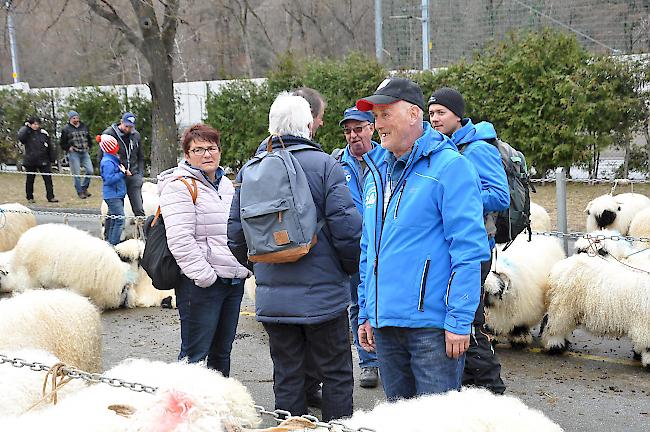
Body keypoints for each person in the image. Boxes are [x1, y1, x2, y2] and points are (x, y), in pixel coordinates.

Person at [228, 93, 361, 421]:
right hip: (324, 295)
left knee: (287, 375)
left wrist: (265, 266)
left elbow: (234, 236)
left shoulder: (250, 170)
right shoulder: (325, 165)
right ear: (307, 126)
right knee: (336, 374)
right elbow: (348, 231)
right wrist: (345, 271)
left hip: (274, 301)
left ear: (271, 126)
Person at [355, 77, 490, 400]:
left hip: (432, 328)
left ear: (414, 114)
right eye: (376, 116)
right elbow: (368, 249)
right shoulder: (375, 172)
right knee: (400, 421)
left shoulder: (451, 168)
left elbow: (469, 251)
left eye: (386, 114)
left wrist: (459, 320)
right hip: (385, 324)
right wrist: (366, 312)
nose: (378, 124)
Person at [428, 87, 509, 394]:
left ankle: (491, 389)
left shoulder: (478, 149)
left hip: (477, 247)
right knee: (461, 316)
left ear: (457, 115)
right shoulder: (446, 148)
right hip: (454, 244)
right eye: (431, 113)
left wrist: (460, 195)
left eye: (441, 113)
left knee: (469, 321)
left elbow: (500, 195)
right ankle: (470, 385)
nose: (435, 118)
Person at [158, 123, 250, 376]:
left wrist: (241, 268)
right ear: (186, 155)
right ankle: (185, 412)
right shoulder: (180, 186)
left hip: (232, 279)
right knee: (195, 355)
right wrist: (205, 277)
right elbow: (180, 239)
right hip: (202, 285)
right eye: (198, 150)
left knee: (222, 352)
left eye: (211, 148)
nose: (207, 154)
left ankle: (218, 407)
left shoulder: (226, 185)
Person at [336, 106, 385, 388]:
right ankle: (368, 362)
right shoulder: (336, 163)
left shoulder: (387, 159)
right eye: (348, 131)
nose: (353, 136)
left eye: (358, 129)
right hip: (354, 249)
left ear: (371, 128)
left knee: (385, 300)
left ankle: (389, 357)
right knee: (358, 304)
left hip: (385, 246)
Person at [102, 112, 145, 217]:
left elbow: (140, 156)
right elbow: (103, 157)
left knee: (139, 208)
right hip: (118, 176)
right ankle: (109, 232)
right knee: (115, 211)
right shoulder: (109, 134)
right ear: (121, 122)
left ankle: (142, 232)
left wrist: (140, 174)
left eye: (131, 127)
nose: (128, 129)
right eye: (126, 126)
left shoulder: (136, 135)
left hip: (133, 175)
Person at [18, 117, 58, 203]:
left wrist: (52, 158)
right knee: (30, 180)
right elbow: (21, 137)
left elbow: (50, 146)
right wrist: (26, 127)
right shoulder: (26, 133)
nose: (36, 126)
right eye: (34, 124)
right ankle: (30, 197)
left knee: (48, 179)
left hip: (44, 160)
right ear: (30, 124)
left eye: (37, 124)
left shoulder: (43, 133)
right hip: (31, 160)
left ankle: (50, 197)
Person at [99, 134, 126, 246]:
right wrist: (121, 173)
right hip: (113, 195)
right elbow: (109, 179)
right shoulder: (108, 162)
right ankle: (113, 245)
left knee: (113, 219)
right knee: (120, 219)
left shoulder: (112, 160)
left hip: (117, 193)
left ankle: (109, 242)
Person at [60, 111, 94, 199]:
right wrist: (68, 148)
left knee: (90, 171)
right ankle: (80, 192)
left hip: (85, 152)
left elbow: (89, 137)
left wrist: (90, 146)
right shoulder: (66, 129)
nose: (76, 119)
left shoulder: (84, 126)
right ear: (70, 119)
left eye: (77, 117)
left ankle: (84, 187)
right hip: (74, 153)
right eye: (73, 118)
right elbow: (62, 143)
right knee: (77, 174)